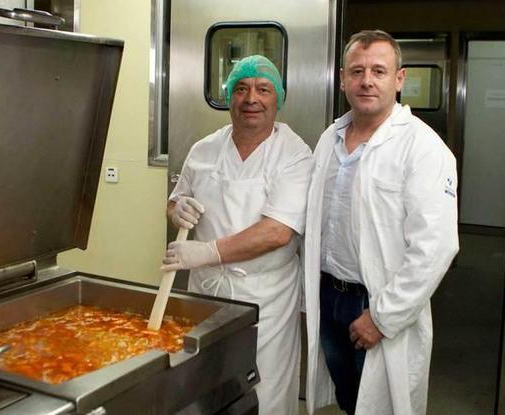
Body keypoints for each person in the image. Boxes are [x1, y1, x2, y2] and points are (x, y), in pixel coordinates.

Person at [303, 30, 459, 415]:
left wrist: (382, 317)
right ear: (342, 79)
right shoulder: (330, 139)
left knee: (380, 406)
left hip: (375, 303)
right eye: (357, 71)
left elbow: (435, 247)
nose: (367, 81)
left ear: (399, 79)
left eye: (378, 70)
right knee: (349, 399)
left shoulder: (423, 148)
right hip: (329, 296)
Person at [164, 55, 313, 415]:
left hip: (266, 298)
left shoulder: (294, 154)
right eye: (242, 89)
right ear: (229, 96)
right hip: (206, 293)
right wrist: (176, 207)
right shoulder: (204, 149)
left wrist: (207, 252)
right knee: (204, 385)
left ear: (277, 98)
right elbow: (175, 201)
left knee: (264, 391)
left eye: (263, 90)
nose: (252, 99)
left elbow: (277, 232)